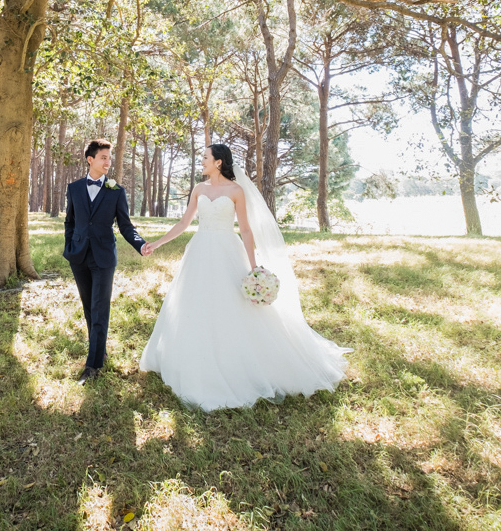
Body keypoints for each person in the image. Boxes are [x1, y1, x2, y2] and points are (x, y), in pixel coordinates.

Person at [138, 143, 353, 411]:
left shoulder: (236, 191)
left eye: (205, 157)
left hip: (228, 251)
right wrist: (155, 244)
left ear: (218, 162)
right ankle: (195, 360)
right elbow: (184, 223)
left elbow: (247, 230)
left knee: (232, 305)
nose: (201, 161)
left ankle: (237, 361)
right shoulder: (199, 189)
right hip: (200, 251)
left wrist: (254, 268)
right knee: (195, 304)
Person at [63, 139, 148, 385]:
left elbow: (125, 226)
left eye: (109, 158)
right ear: (90, 159)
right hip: (78, 256)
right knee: (89, 307)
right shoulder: (75, 188)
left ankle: (93, 365)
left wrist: (140, 244)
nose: (108, 162)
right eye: (103, 157)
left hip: (103, 257)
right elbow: (70, 221)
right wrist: (70, 245)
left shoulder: (116, 191)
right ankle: (99, 349)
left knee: (100, 308)